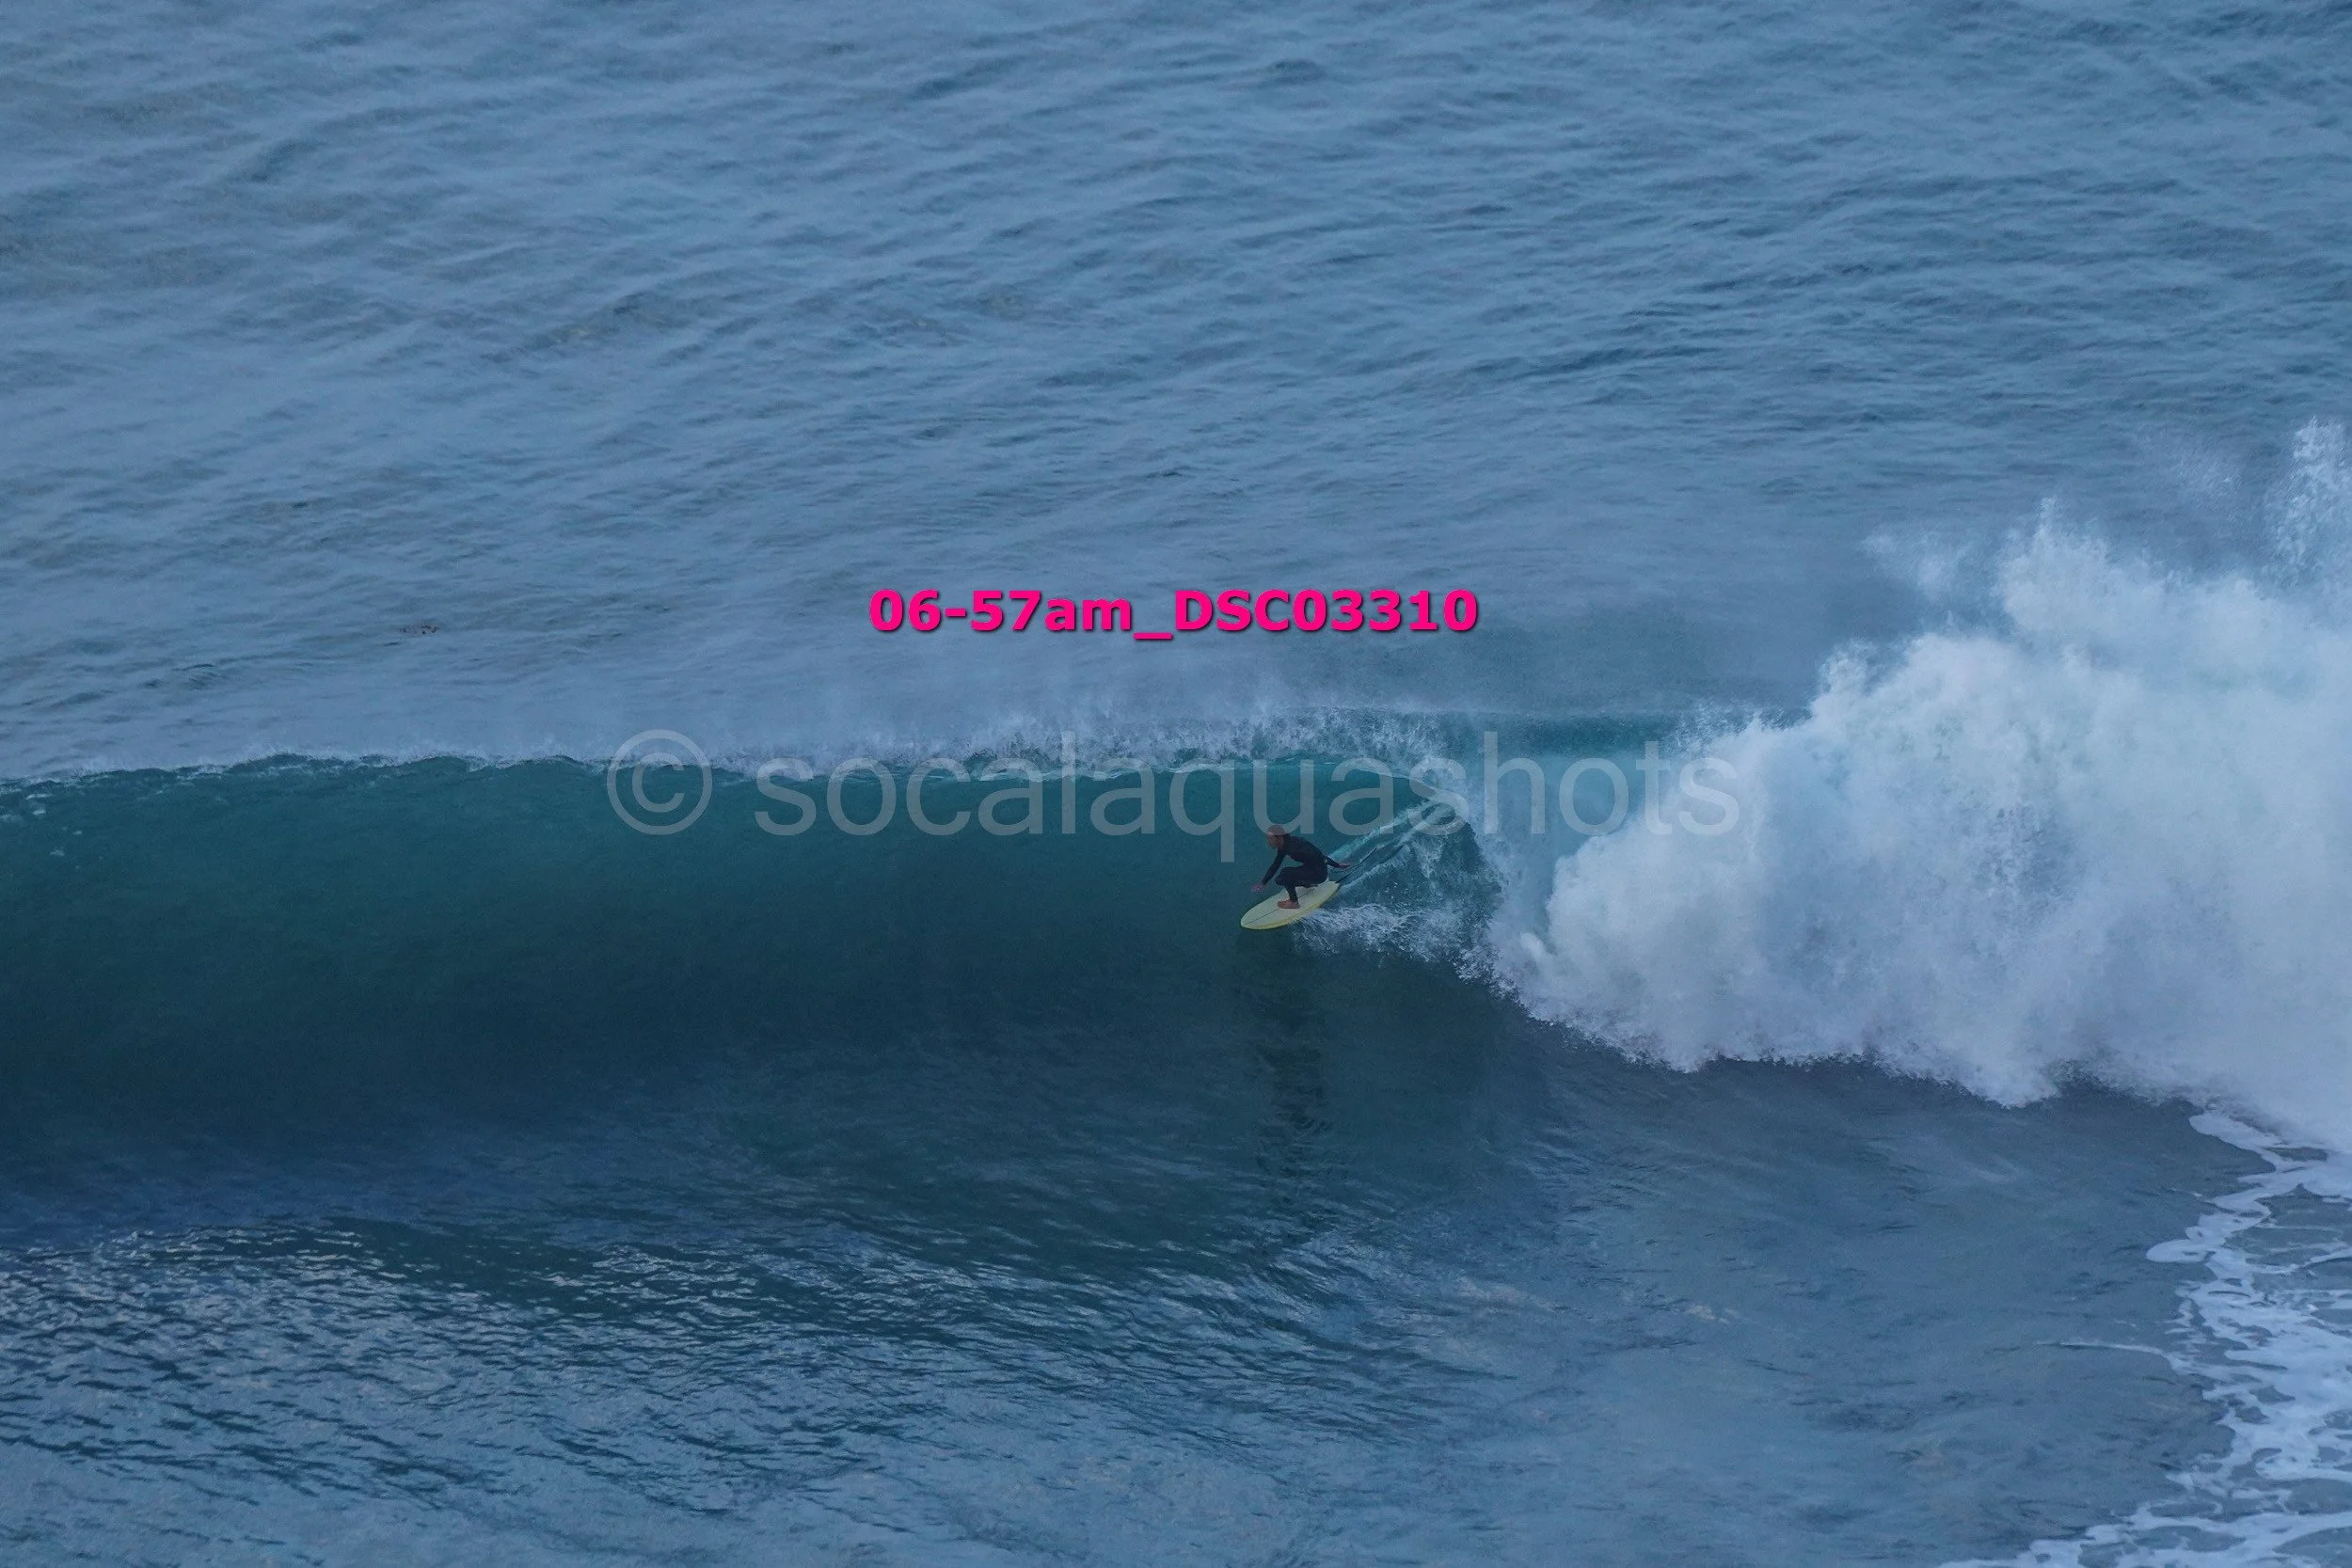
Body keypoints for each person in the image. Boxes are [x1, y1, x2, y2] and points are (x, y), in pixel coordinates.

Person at [1252, 827, 1352, 909]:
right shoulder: (1285, 845)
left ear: (1279, 838)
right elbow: (1276, 864)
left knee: (1286, 873)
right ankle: (1308, 884)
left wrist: (1337, 865)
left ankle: (1294, 902)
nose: (1268, 842)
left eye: (1270, 839)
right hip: (1312, 869)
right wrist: (1263, 883)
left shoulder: (1296, 848)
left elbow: (1319, 856)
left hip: (1319, 874)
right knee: (1279, 880)